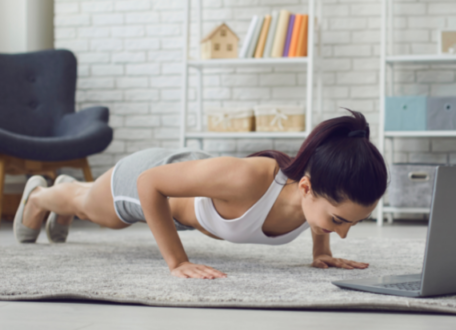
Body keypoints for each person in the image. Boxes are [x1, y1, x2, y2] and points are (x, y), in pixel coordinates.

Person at [13, 109, 388, 280]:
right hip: (151, 173)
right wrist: (177, 262)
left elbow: (321, 215)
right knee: (101, 214)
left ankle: (66, 191)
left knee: (90, 204)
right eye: (339, 221)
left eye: (354, 222)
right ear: (306, 187)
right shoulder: (248, 180)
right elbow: (150, 184)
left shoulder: (314, 194)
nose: (343, 232)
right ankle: (42, 197)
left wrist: (322, 252)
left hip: (195, 181)